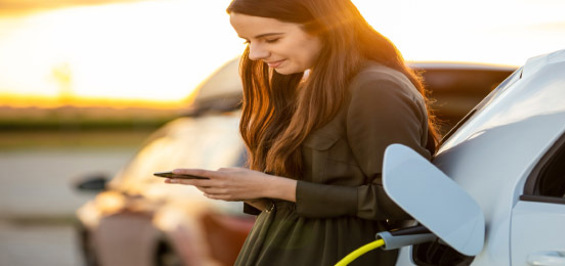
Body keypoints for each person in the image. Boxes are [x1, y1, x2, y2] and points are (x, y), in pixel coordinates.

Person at [165, 0, 439, 265]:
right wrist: (245, 189)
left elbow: (403, 201)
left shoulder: (375, 88)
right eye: (249, 42)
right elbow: (310, 201)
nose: (256, 54)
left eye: (271, 39)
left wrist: (271, 186)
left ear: (325, 27)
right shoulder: (310, 89)